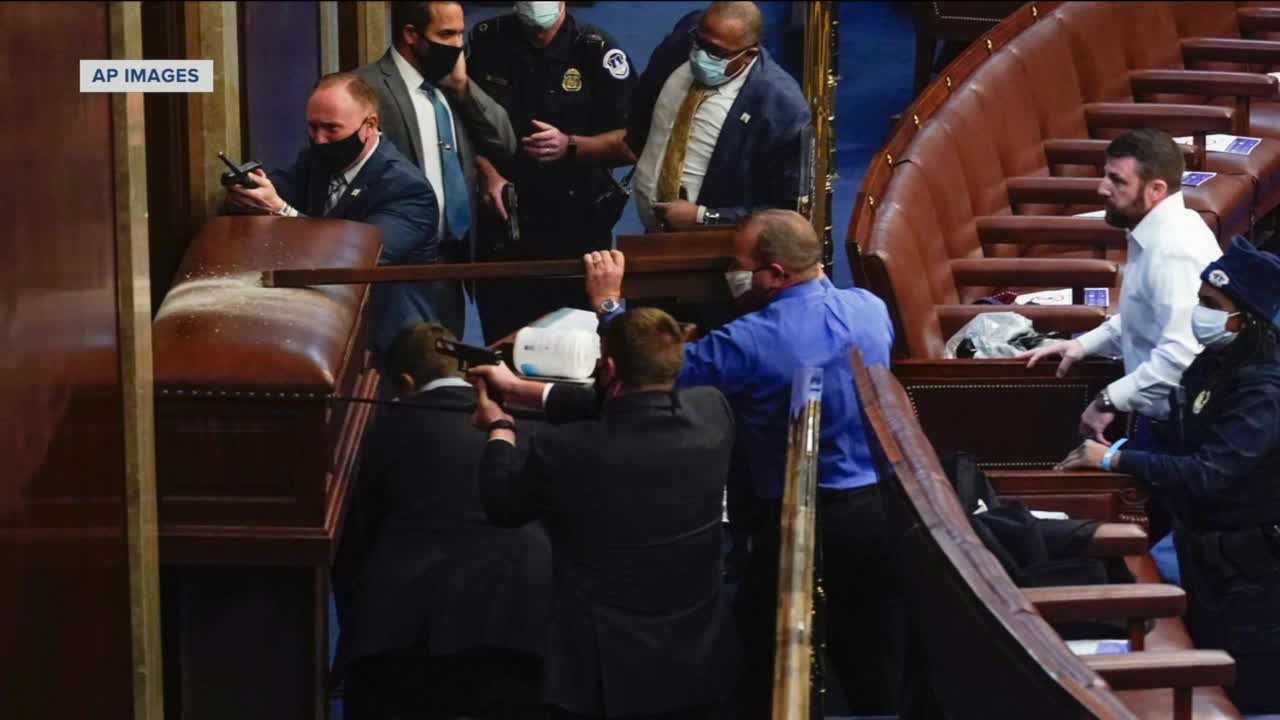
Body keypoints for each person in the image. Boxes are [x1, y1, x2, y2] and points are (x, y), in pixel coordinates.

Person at [475, 209, 899, 716]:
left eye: (740, 265)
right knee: (869, 649)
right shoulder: (870, 308)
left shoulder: (750, 342)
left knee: (762, 652)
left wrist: (610, 305)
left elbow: (645, 376)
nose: (731, 273)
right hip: (881, 507)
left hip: (796, 520)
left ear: (776, 274)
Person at [469, 308, 739, 719]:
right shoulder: (712, 414)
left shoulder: (564, 450)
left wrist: (501, 431)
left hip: (602, 673)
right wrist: (524, 389)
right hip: (694, 655)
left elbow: (503, 506)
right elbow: (627, 404)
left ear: (609, 368)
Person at [1056, 237, 1280, 714]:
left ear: (1247, 318)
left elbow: (1207, 473)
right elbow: (1180, 440)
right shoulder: (1213, 363)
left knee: (1250, 692)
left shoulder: (1264, 390)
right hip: (1204, 555)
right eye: (1200, 300)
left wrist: (1116, 460)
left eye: (1211, 305)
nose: (1199, 312)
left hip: (1255, 574)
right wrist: (1123, 450)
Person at [1019, 128, 1223, 583]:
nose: (1101, 189)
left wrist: (1107, 400)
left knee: (1162, 555)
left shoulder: (1174, 251)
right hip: (1160, 420)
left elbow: (1179, 354)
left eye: (1116, 181)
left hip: (1179, 429)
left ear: (1156, 190)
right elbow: (1139, 318)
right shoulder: (1158, 229)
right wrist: (1083, 344)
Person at [333, 322, 550, 720]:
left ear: (405, 382)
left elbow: (354, 543)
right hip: (522, 621)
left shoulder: (378, 433)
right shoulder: (534, 424)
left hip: (405, 632)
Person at [224, 72, 440, 361]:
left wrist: (280, 211)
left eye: (331, 129)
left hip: (388, 346)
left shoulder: (407, 189)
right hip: (318, 327)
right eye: (312, 128)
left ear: (370, 125)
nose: (320, 140)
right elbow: (280, 187)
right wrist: (252, 190)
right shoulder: (316, 161)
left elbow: (353, 260)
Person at [468, 1, 638, 343]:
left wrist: (571, 145)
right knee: (504, 342)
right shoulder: (489, 40)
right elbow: (460, 119)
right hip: (505, 226)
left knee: (574, 344)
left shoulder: (597, 50)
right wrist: (486, 171)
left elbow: (632, 142)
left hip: (575, 227)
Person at [353, 1, 519, 337]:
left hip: (451, 263)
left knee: (445, 368)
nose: (458, 45)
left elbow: (505, 142)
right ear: (411, 35)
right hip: (397, 268)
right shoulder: (365, 87)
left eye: (461, 33)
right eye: (446, 34)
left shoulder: (449, 86)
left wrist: (462, 87)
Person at [628, 2, 811, 232]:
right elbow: (642, 104)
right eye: (699, 42)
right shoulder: (685, 38)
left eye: (715, 52)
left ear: (749, 54)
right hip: (651, 239)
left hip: (722, 250)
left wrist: (705, 217)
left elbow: (786, 212)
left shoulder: (781, 106)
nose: (700, 54)